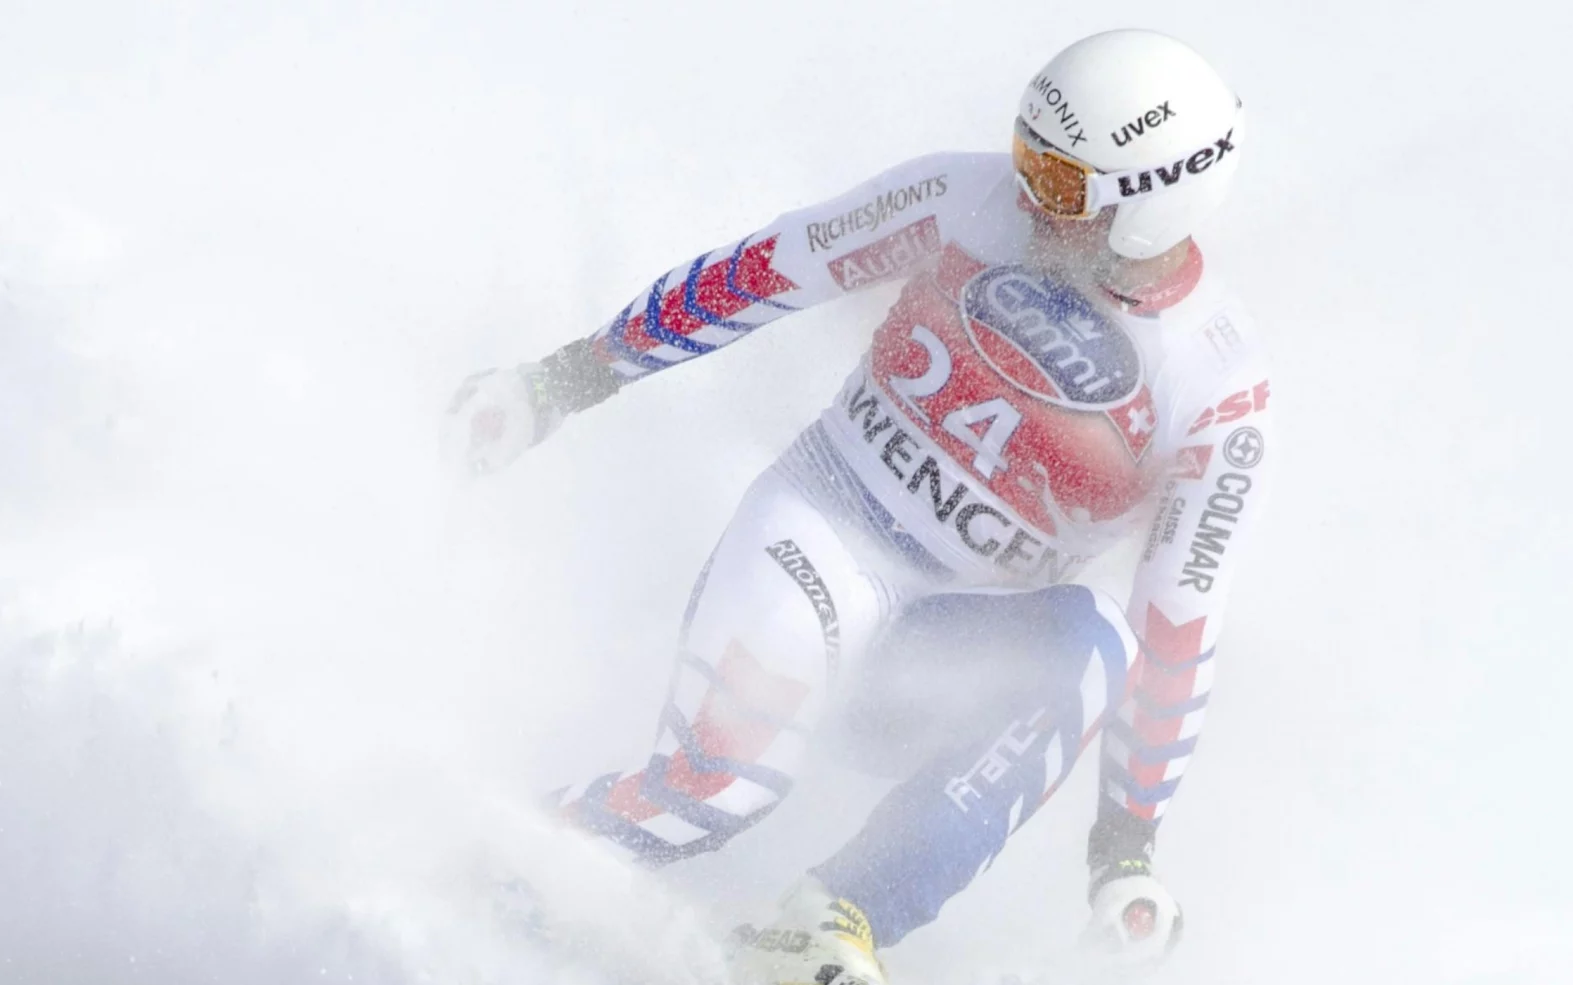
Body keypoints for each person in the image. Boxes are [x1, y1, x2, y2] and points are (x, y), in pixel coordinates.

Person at [443, 29, 1271, 985]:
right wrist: (560, 382)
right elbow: (768, 269)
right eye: (1028, 156)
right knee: (715, 796)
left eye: (1064, 182)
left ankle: (830, 917)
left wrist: (1124, 854)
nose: (1031, 196)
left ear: (1152, 203)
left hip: (938, 658)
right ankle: (468, 858)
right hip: (822, 536)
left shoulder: (1217, 388)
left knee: (1098, 646)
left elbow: (1179, 621)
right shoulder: (965, 198)